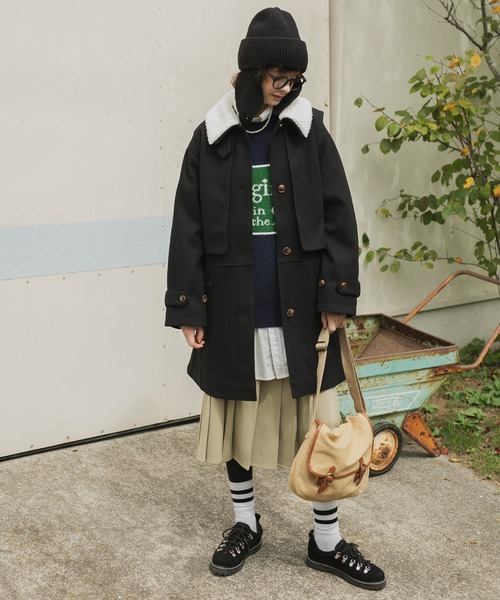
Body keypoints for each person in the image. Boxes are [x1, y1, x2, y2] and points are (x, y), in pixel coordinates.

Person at [165, 7, 386, 591]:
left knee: (323, 428)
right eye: (276, 77)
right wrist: (188, 307)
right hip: (233, 309)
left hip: (303, 312)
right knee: (238, 421)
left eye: (293, 79)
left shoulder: (310, 134)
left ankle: (326, 541)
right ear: (250, 71)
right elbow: (187, 225)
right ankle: (246, 523)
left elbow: (340, 217)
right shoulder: (211, 137)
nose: (285, 88)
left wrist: (337, 294)